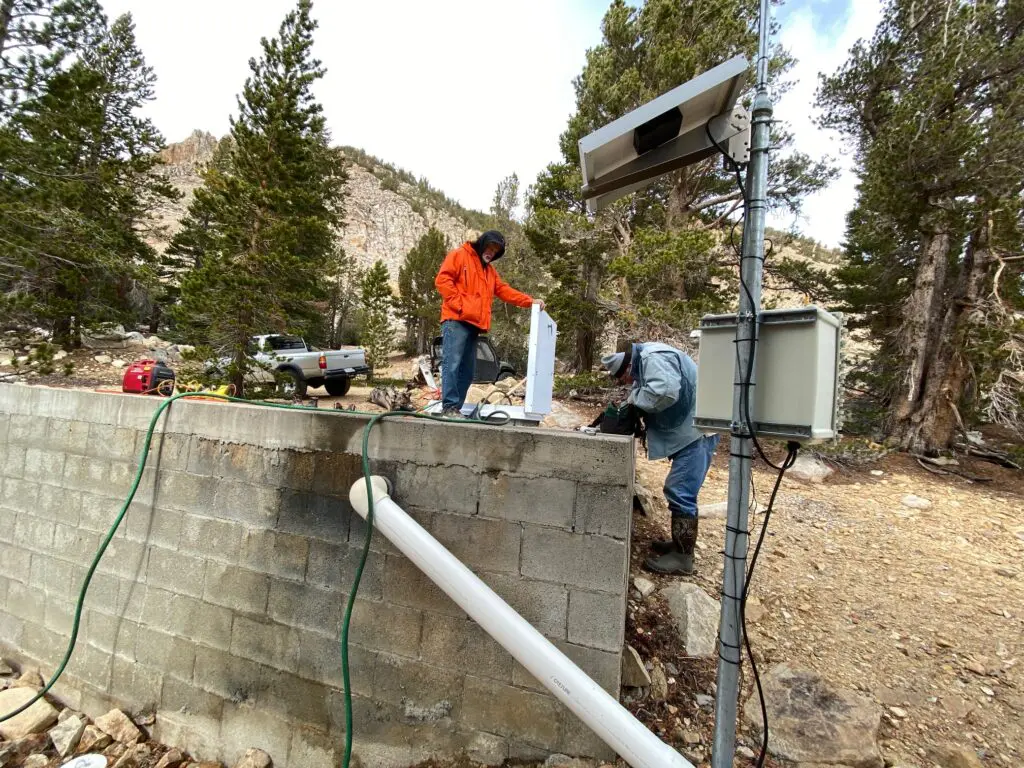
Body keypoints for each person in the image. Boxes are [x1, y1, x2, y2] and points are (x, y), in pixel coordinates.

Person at [601, 342, 720, 576]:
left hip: (697, 433)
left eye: (621, 379)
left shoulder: (652, 358)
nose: (624, 383)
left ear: (626, 369)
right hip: (690, 431)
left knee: (680, 490)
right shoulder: (647, 360)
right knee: (680, 490)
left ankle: (683, 558)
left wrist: (634, 400)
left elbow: (665, 391)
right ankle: (679, 545)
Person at [434, 230, 542, 415]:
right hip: (456, 320)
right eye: (490, 246)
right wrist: (460, 305)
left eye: (496, 250)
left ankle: (455, 410)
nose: (492, 252)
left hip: (473, 326)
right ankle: (449, 407)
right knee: (452, 364)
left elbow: (504, 290)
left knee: (468, 371)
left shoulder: (490, 272)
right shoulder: (460, 255)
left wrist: (530, 301)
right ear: (482, 243)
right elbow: (442, 280)